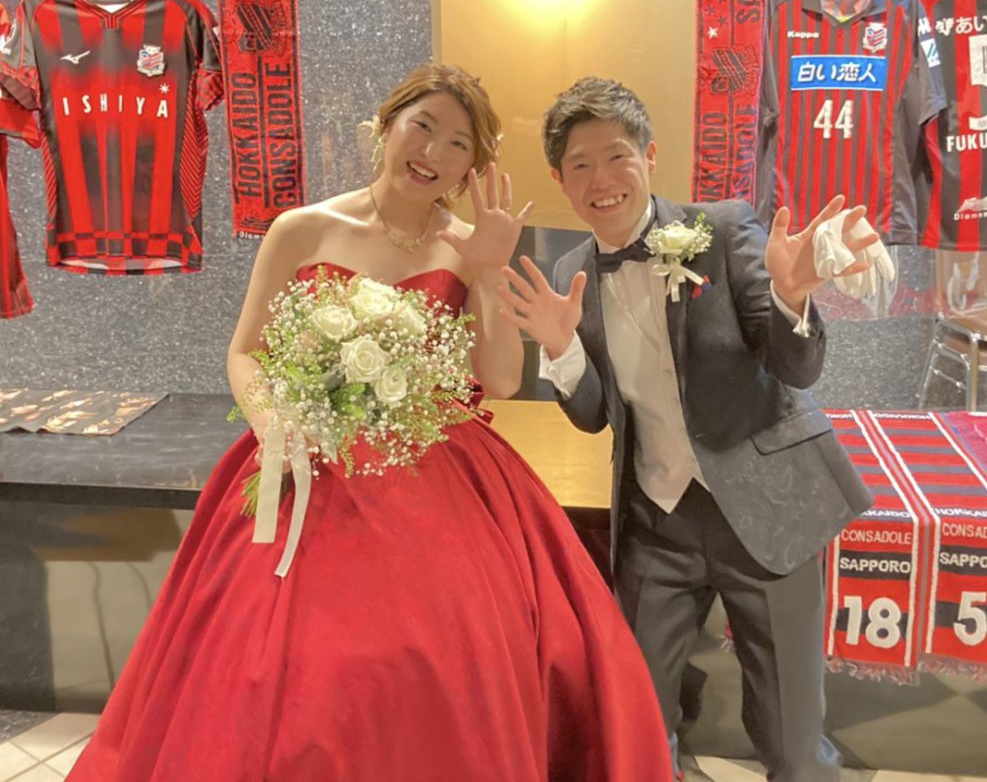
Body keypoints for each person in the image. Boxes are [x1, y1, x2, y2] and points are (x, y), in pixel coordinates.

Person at [69, 65, 673, 782]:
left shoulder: (468, 241)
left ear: (472, 166)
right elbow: (245, 351)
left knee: (452, 644)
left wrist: (487, 268)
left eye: (459, 144)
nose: (435, 153)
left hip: (437, 464)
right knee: (286, 658)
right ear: (386, 127)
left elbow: (501, 380)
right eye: (424, 127)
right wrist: (273, 421)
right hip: (310, 453)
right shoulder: (302, 229)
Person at [498, 77, 875, 782]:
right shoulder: (571, 271)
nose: (601, 180)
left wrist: (792, 296)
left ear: (649, 156)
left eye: (617, 156)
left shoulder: (723, 229)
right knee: (638, 716)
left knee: (791, 736)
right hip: (656, 526)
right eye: (580, 164)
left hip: (767, 509)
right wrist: (560, 349)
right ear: (559, 178)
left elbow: (794, 369)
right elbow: (593, 417)